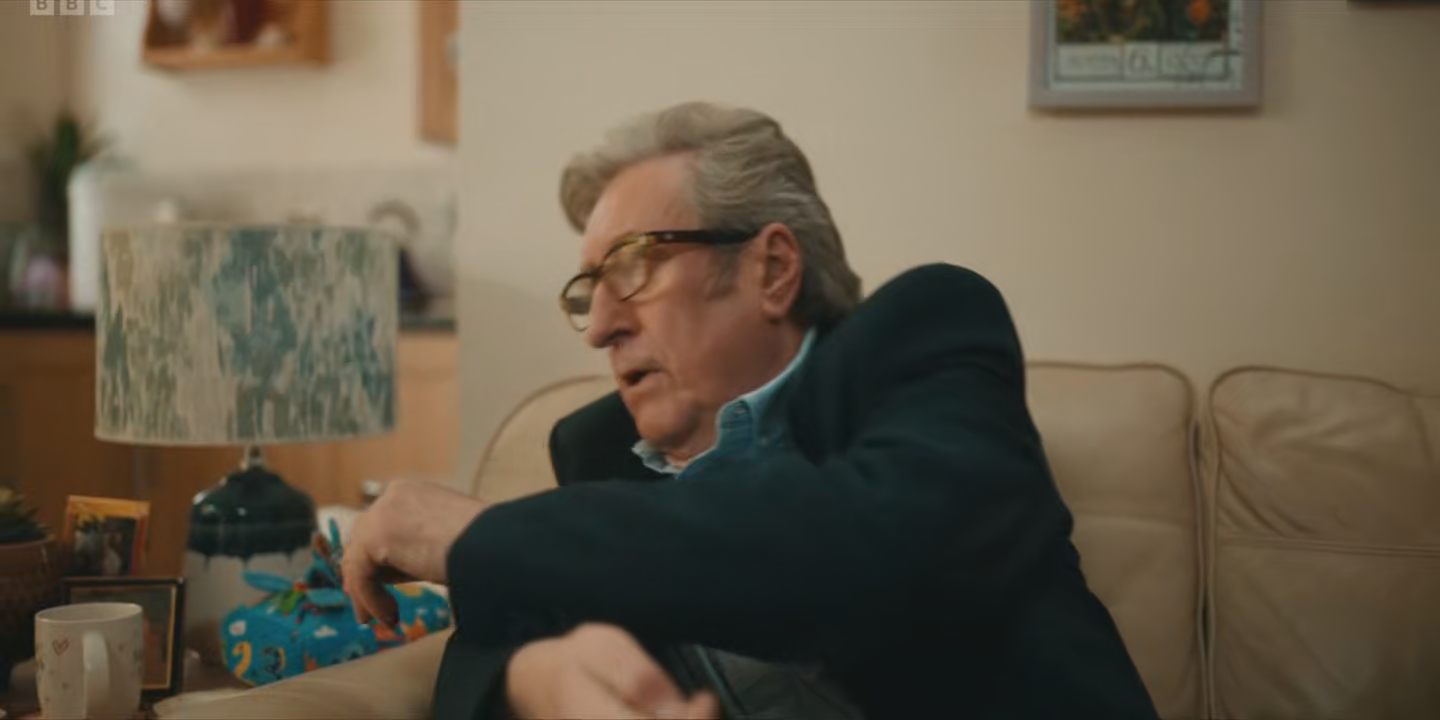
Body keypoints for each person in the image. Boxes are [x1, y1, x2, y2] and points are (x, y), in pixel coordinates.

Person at [341, 102, 1160, 719]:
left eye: (631, 268)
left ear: (771, 268)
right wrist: (536, 677)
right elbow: (491, 643)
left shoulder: (926, 337)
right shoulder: (596, 445)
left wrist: (484, 534)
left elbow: (870, 548)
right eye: (588, 291)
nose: (599, 327)